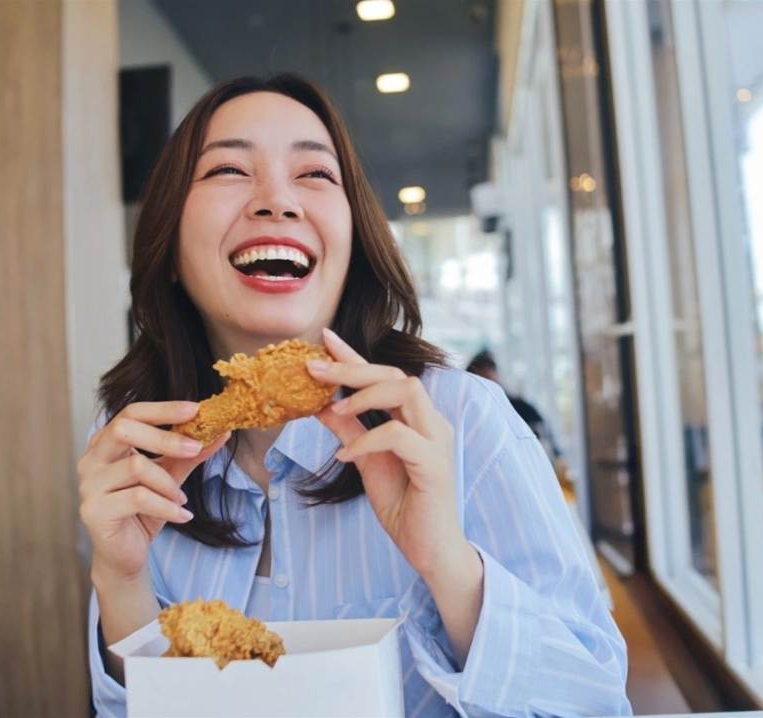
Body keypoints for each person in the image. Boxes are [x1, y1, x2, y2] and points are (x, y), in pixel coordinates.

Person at [78, 74, 630, 717]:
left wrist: (447, 563)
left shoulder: (462, 422)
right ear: (170, 246)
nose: (277, 201)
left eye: (314, 174)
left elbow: (596, 704)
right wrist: (121, 580)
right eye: (228, 169)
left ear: (354, 243)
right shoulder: (139, 449)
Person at [466, 349, 563, 461]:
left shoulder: (521, 408)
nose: (486, 390)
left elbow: (546, 444)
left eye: (489, 381)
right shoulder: (468, 416)